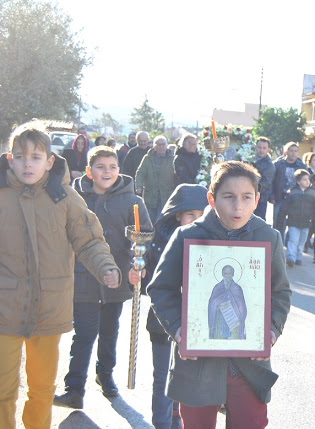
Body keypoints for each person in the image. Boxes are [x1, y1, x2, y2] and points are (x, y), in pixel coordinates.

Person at [147, 161, 291, 429]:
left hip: (248, 366)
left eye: (247, 197)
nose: (238, 206)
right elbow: (161, 288)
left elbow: (280, 292)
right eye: (229, 197)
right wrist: (179, 330)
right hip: (199, 365)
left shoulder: (267, 238)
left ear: (257, 199)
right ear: (212, 199)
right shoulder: (188, 236)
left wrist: (270, 330)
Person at [0, 123, 121, 429]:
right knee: (2, 390)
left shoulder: (64, 197)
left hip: (48, 308)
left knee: (42, 389)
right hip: (4, 307)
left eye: (36, 157)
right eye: (20, 156)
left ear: (49, 161)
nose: (28, 163)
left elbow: (89, 239)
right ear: (9, 158)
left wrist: (106, 267)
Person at [52, 146, 152, 410]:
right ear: (89, 171)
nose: (107, 172)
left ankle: (105, 375)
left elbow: (145, 239)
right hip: (82, 277)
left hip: (115, 278)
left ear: (119, 170)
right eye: (100, 167)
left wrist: (138, 265)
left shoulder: (133, 202)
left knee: (109, 331)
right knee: (84, 333)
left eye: (112, 167)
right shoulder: (73, 199)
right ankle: (74, 388)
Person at [129, 183, 208, 429]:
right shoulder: (159, 245)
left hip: (198, 325)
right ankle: (162, 423)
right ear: (177, 216)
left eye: (202, 215)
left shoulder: (213, 245)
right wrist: (136, 274)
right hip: (163, 323)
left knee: (188, 379)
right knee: (163, 377)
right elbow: (151, 286)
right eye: (190, 215)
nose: (196, 220)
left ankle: (178, 418)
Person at [275, 169, 315, 267]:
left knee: (302, 241)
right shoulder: (292, 192)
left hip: (306, 222)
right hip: (293, 221)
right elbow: (284, 207)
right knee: (293, 239)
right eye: (304, 179)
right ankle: (291, 258)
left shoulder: (313, 193)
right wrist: (281, 219)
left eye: (308, 179)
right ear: (298, 181)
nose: (307, 181)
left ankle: (298, 257)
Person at [271, 142, 307, 239]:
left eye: (296, 151)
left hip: (295, 199)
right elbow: (272, 181)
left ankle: (289, 244)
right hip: (280, 198)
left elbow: (306, 183)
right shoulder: (278, 164)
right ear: (286, 152)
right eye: (291, 151)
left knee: (294, 224)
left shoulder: (302, 166)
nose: (293, 153)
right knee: (278, 224)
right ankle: (278, 246)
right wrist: (272, 196)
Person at [136, 135, 176, 222]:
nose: (161, 147)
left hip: (166, 196)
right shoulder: (147, 158)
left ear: (166, 145)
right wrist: (138, 186)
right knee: (149, 221)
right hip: (150, 196)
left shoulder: (173, 159)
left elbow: (177, 176)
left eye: (163, 144)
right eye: (158, 144)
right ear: (154, 147)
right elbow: (140, 172)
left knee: (162, 221)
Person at [208, 265, 247, 340]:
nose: (228, 276)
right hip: (220, 321)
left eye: (230, 273)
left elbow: (242, 307)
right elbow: (212, 304)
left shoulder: (237, 288)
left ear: (233, 274)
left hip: (234, 321)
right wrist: (218, 305)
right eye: (226, 274)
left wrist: (233, 306)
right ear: (222, 274)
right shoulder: (217, 287)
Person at [253, 137, 275, 221]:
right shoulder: (249, 159)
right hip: (247, 197)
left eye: (264, 148)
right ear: (255, 147)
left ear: (268, 149)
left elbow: (265, 183)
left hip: (260, 199)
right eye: (259, 147)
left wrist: (251, 190)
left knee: (258, 223)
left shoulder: (269, 165)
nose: (261, 150)